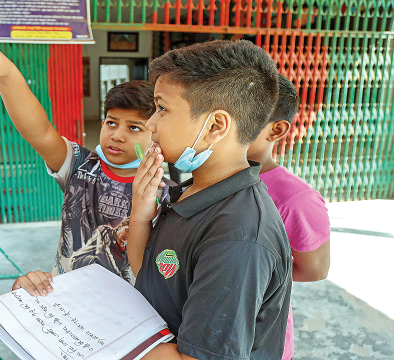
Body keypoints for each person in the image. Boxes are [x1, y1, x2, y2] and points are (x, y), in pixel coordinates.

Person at [0, 22, 170, 295]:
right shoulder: (80, 166)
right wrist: (6, 73)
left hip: (130, 311)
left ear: (155, 131)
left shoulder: (168, 195)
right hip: (67, 302)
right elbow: (40, 132)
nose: (117, 135)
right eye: (111, 123)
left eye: (134, 128)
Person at [128, 40, 293, 359]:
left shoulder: (238, 236)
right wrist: (141, 210)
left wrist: (107, 337)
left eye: (161, 109)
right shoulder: (191, 191)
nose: (150, 124)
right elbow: (150, 276)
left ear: (215, 126)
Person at [247, 73, 331, 360]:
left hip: (260, 337)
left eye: (244, 117)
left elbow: (314, 269)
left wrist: (248, 276)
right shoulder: (203, 180)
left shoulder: (296, 199)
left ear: (277, 130)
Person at [70, 217, 132, 282]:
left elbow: (124, 269)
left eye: (131, 234)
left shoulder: (126, 251)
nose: (128, 235)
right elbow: (102, 254)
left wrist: (127, 282)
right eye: (127, 230)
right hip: (82, 261)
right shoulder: (105, 231)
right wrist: (118, 277)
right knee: (99, 263)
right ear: (120, 226)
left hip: (104, 274)